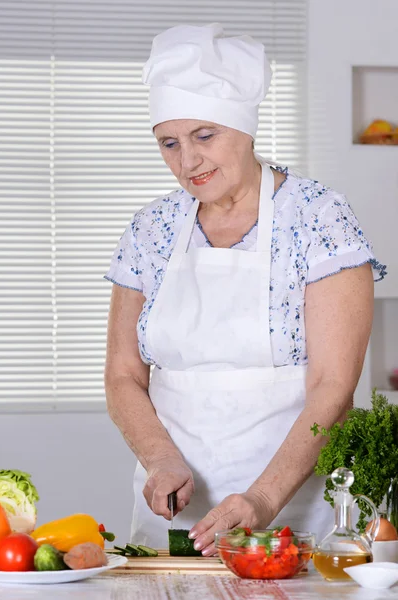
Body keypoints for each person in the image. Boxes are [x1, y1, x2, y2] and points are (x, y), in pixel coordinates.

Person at [104, 23, 386, 555]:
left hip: (291, 510)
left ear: (245, 128)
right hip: (174, 512)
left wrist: (260, 499)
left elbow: (333, 387)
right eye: (170, 143)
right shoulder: (150, 230)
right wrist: (160, 459)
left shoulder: (319, 218)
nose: (188, 162)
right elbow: (122, 375)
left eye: (204, 136)